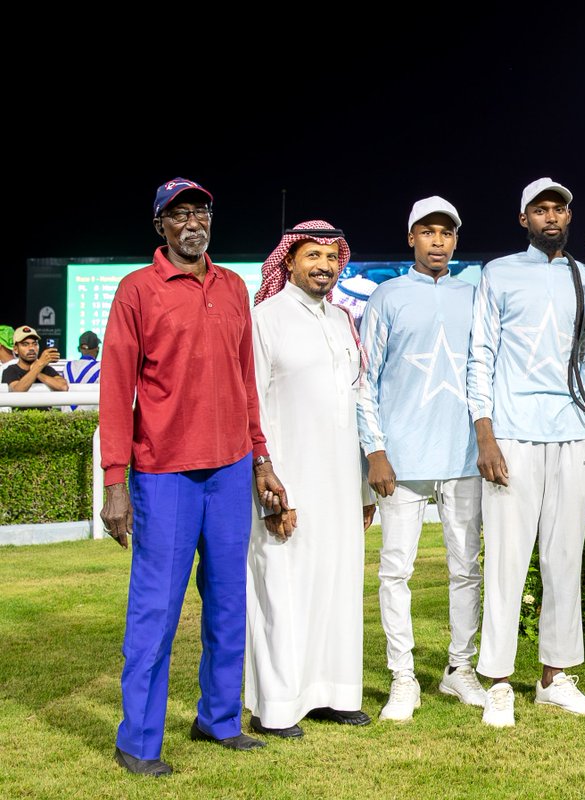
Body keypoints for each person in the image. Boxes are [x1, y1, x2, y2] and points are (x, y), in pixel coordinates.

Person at [100, 178, 288, 777]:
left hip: (232, 468)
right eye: (179, 214)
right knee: (155, 610)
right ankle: (138, 741)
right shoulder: (136, 290)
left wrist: (259, 457)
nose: (192, 223)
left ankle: (218, 720)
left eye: (200, 212)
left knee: (229, 604)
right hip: (164, 474)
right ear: (161, 226)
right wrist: (115, 481)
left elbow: (245, 383)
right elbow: (114, 390)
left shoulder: (233, 286)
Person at [466, 178, 585, 727]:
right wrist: (485, 434)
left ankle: (555, 677)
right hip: (514, 437)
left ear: (571, 218)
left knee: (563, 559)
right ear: (523, 219)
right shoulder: (497, 273)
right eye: (540, 210)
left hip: (574, 433)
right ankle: (498, 682)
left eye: (559, 209)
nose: (551, 217)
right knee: (506, 561)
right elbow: (481, 355)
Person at [357, 197, 488, 721]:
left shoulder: (473, 296)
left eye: (447, 233)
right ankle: (402, 677)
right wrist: (376, 451)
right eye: (428, 232)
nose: (438, 241)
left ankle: (460, 670)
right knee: (396, 571)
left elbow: (485, 371)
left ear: (456, 240)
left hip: (462, 454)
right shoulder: (385, 297)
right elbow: (364, 381)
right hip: (402, 458)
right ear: (411, 236)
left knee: (466, 569)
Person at [244, 220, 373, 738]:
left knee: (338, 584)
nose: (324, 265)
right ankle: (276, 706)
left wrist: (364, 489)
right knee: (283, 589)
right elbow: (252, 406)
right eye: (312, 255)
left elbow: (357, 403)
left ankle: (333, 695)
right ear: (289, 262)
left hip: (341, 482)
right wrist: (269, 485)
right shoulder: (264, 319)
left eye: (331, 256)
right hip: (288, 480)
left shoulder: (343, 320)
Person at [2, 325, 68, 392]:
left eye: (35, 344)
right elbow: (17, 390)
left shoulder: (46, 369)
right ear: (16, 349)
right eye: (25, 344)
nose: (31, 348)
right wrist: (38, 366)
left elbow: (63, 387)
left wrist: (38, 373)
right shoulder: (11, 370)